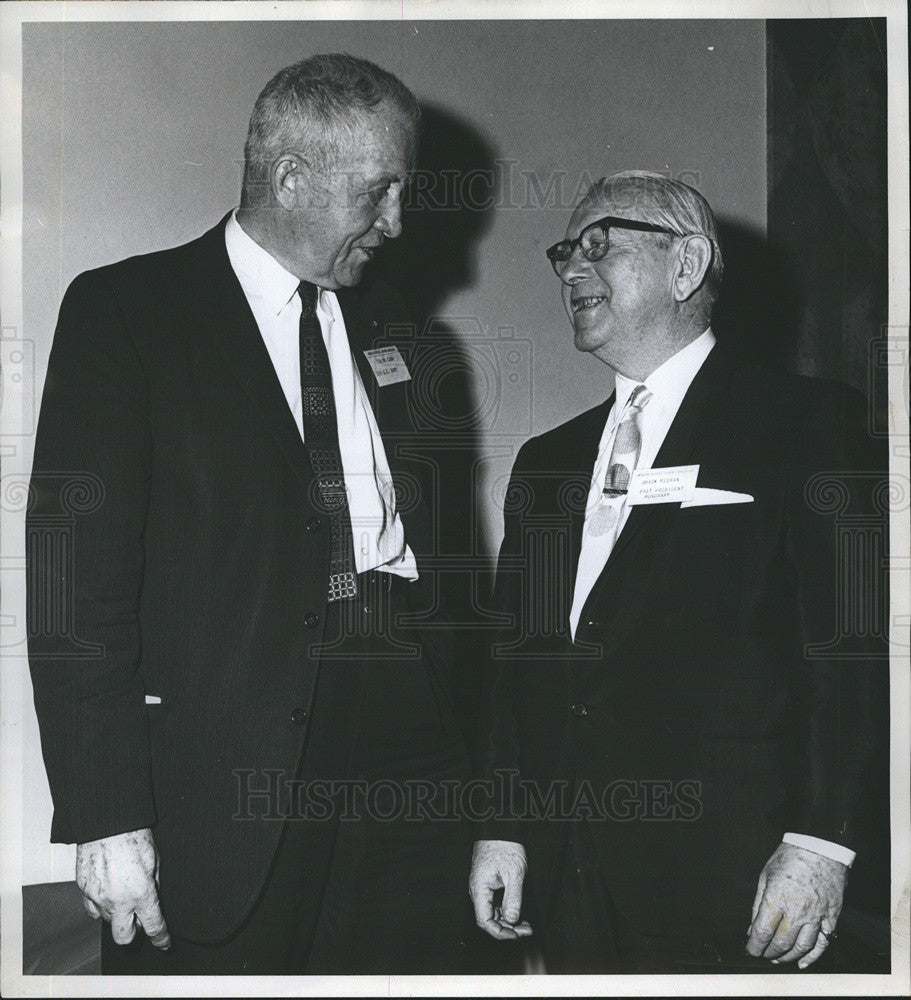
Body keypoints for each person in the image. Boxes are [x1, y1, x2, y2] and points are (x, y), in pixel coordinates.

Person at [27, 53, 471, 975]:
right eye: (379, 191)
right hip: (227, 777)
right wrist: (106, 814)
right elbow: (78, 589)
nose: (397, 223)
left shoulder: (408, 339)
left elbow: (455, 577)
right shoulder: (129, 312)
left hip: (407, 753)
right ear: (292, 177)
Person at [469, 171, 889, 973]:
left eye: (599, 245)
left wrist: (820, 844)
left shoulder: (803, 424)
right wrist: (503, 822)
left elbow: (853, 653)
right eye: (564, 252)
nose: (569, 270)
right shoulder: (547, 463)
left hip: (737, 874)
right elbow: (512, 666)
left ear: (686, 265)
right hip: (569, 873)